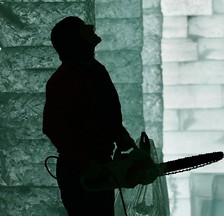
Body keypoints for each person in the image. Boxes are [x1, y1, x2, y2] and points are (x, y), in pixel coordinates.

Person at [42, 16, 156, 215]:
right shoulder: (63, 79)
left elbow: (110, 117)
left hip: (102, 163)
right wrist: (85, 163)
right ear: (75, 41)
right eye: (84, 31)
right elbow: (53, 127)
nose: (93, 33)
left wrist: (126, 142)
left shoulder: (96, 70)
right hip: (80, 172)